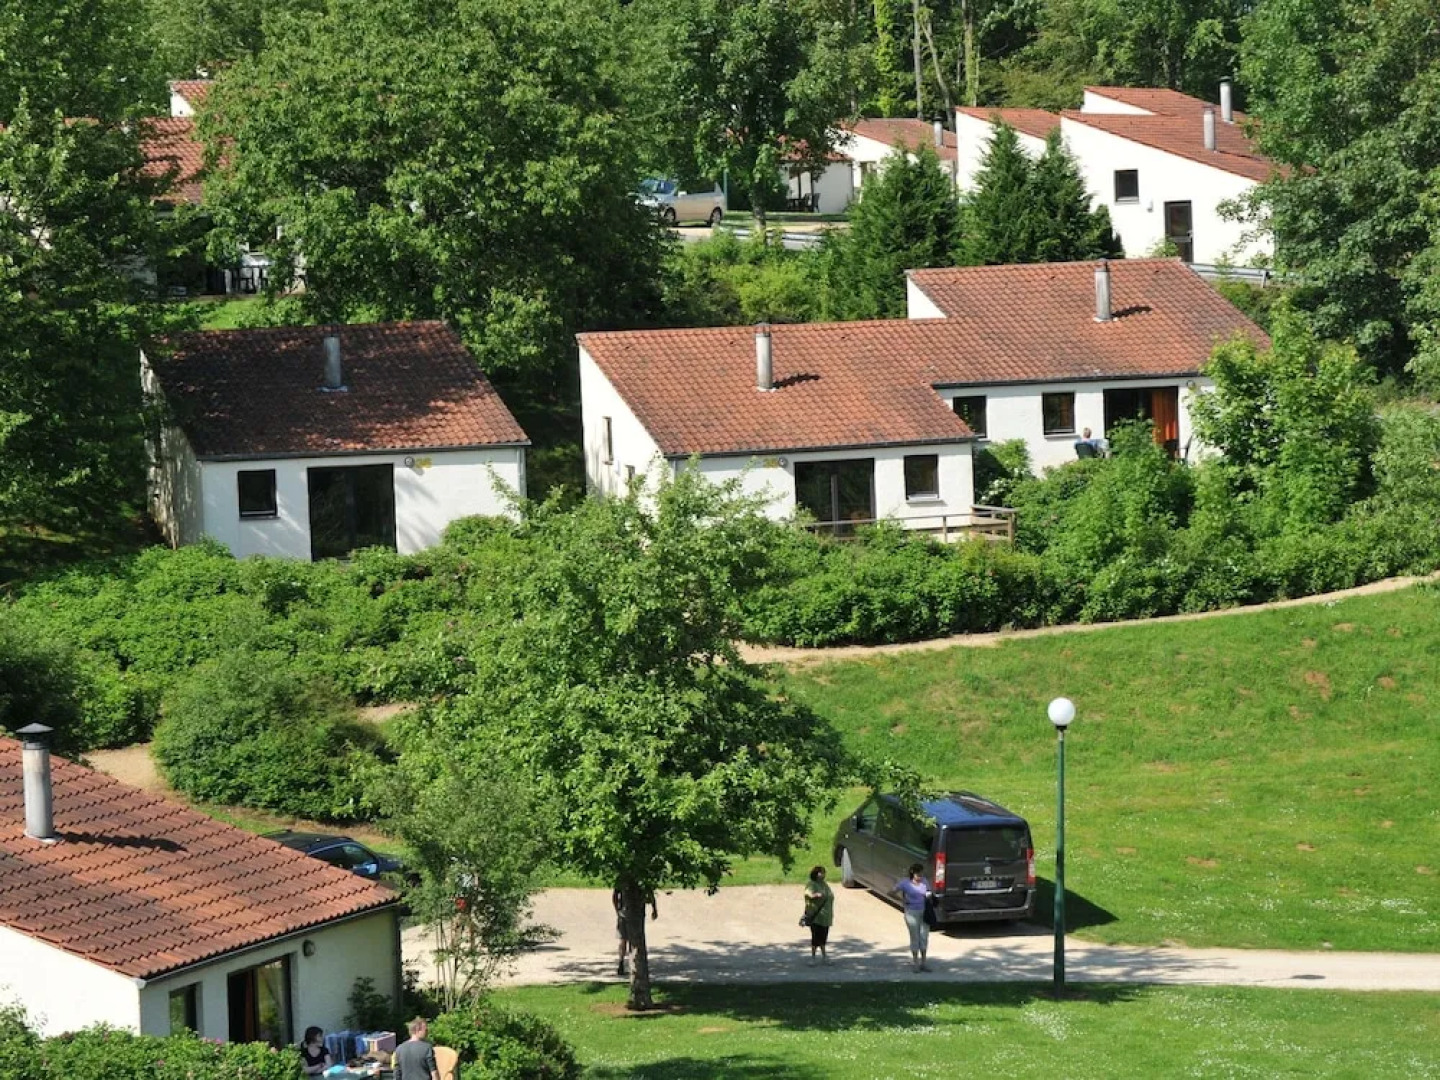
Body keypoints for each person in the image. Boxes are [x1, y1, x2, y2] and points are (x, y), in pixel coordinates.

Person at [893, 862, 933, 972]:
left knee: (924, 936)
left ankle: (924, 962)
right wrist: (903, 901)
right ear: (913, 873)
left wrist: (929, 897)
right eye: (918, 875)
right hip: (911, 912)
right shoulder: (905, 883)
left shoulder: (925, 882)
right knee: (915, 937)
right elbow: (891, 892)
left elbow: (928, 893)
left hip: (924, 912)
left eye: (921, 875)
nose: (920, 877)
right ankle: (915, 962)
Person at [613, 883, 659, 977]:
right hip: (635, 914)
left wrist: (617, 910)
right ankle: (632, 965)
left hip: (625, 913)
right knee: (634, 940)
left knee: (624, 940)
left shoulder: (623, 878)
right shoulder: (641, 877)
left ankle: (623, 963)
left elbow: (615, 896)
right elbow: (650, 894)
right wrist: (654, 909)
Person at [802, 864, 834, 965]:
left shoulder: (824, 884)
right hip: (816, 917)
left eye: (824, 872)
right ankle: (813, 958)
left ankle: (824, 957)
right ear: (816, 873)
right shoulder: (812, 884)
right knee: (815, 938)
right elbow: (808, 893)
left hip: (826, 917)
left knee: (823, 938)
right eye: (821, 872)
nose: (823, 874)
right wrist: (815, 895)